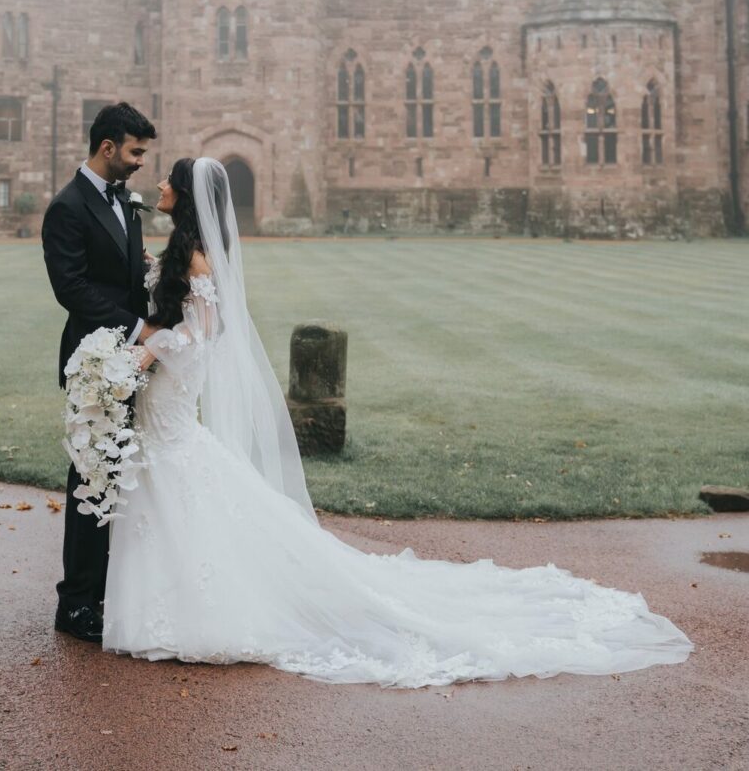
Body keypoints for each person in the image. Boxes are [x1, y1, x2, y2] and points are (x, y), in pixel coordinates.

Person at [100, 156, 693, 688]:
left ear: (185, 191)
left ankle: (201, 607)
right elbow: (176, 308)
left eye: (167, 180)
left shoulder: (198, 253)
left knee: (182, 474)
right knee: (177, 478)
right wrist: (147, 324)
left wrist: (150, 352)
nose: (158, 184)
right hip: (166, 386)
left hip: (175, 380)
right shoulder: (183, 249)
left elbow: (203, 331)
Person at [42, 102, 158, 643]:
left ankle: (110, 591)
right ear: (108, 147)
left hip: (129, 360)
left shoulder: (125, 203)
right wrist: (139, 328)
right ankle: (77, 603)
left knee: (122, 476)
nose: (140, 162)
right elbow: (73, 289)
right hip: (94, 363)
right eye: (135, 151)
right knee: (92, 479)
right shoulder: (66, 207)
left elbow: (128, 275)